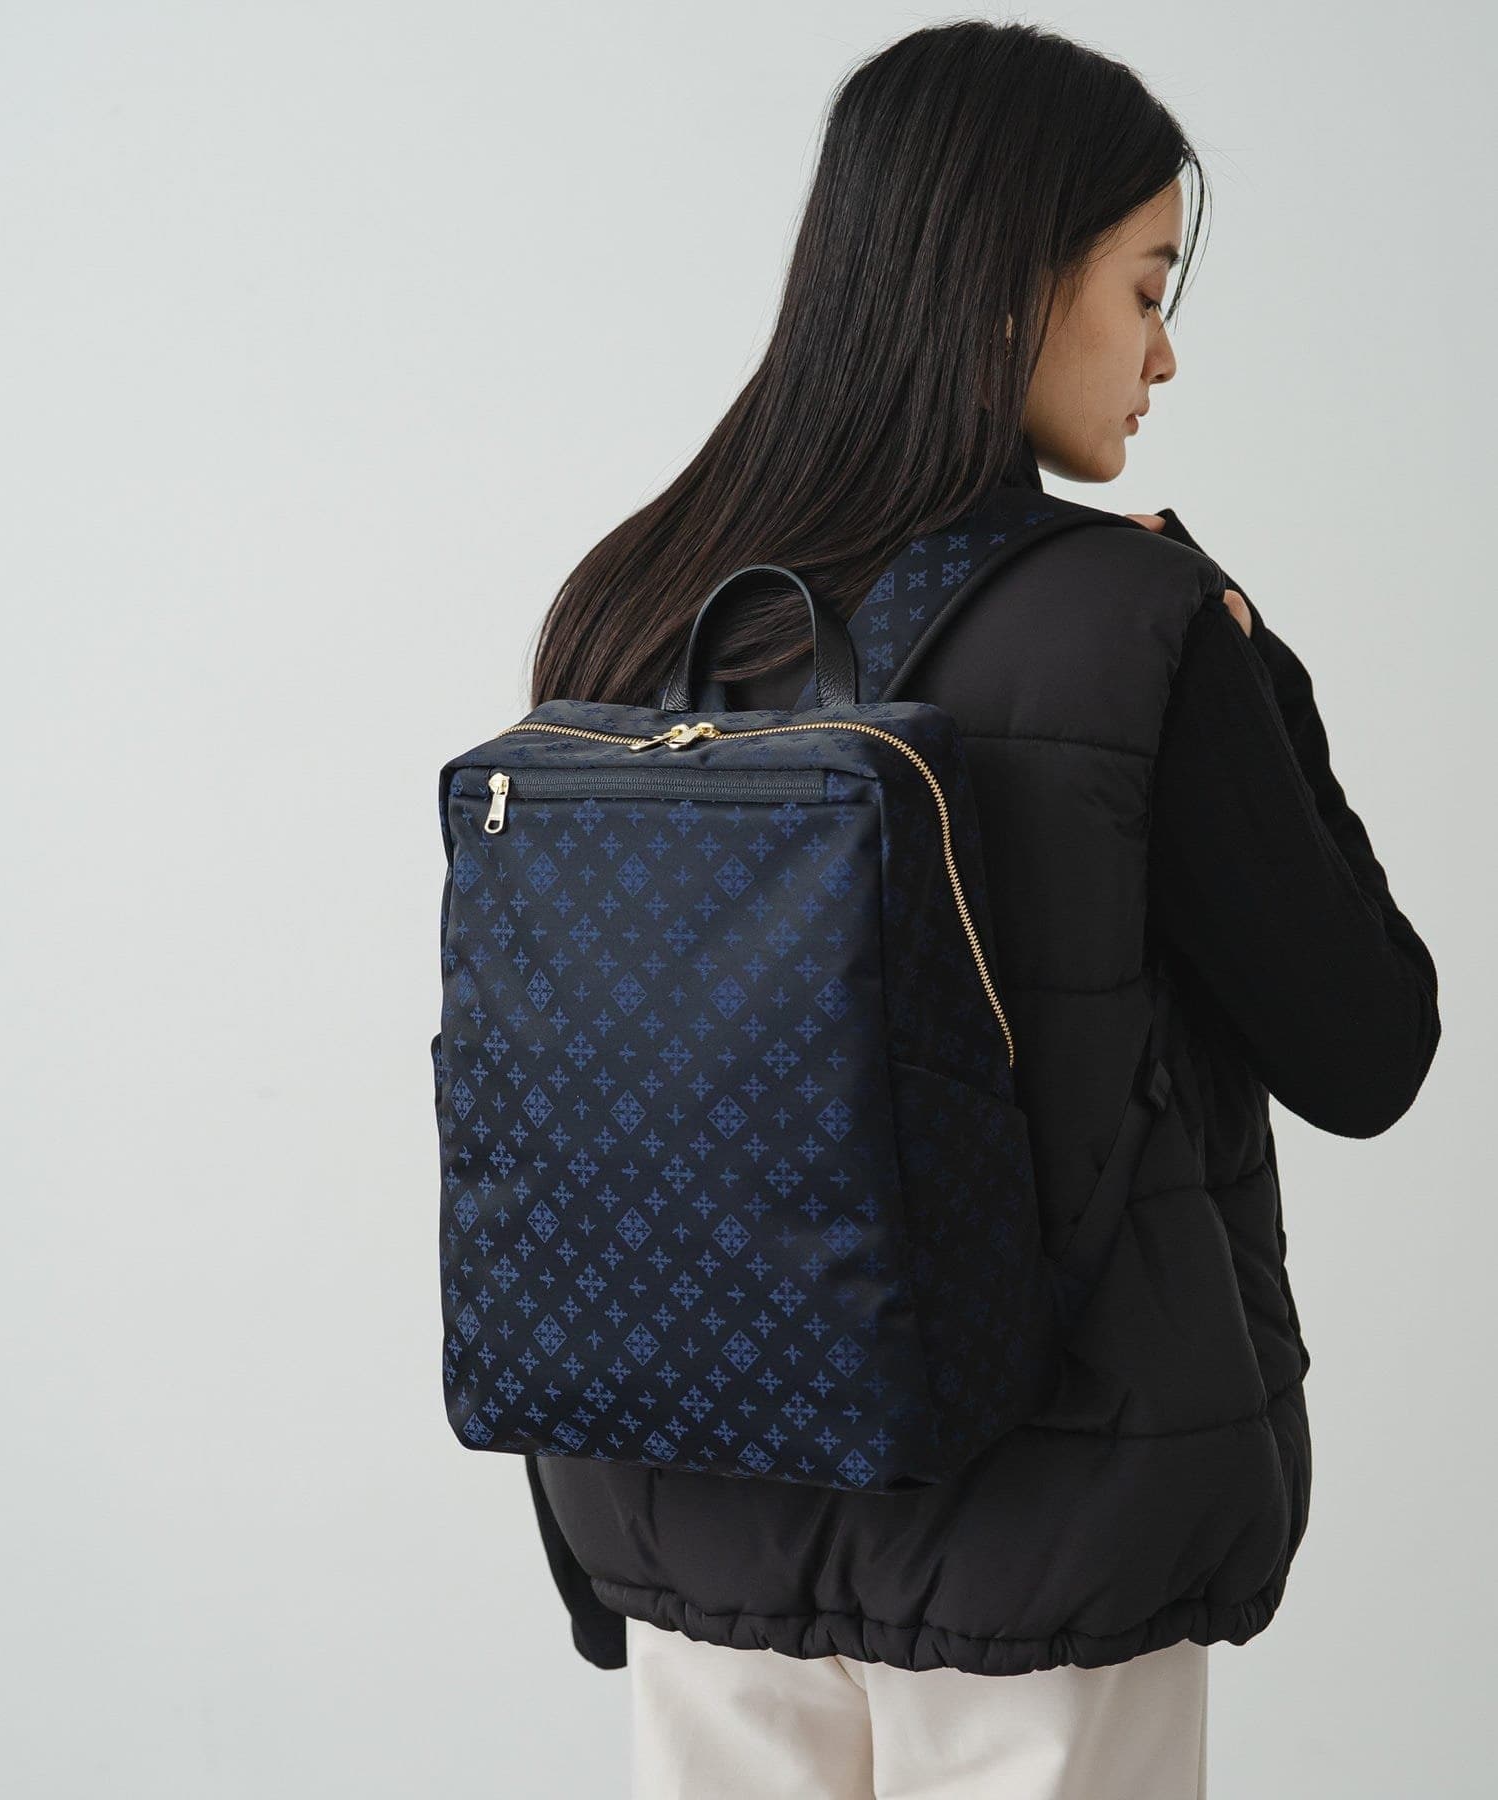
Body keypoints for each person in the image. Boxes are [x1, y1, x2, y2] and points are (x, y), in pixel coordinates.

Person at [516, 20, 1442, 1799]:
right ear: (1019, 279)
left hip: (686, 1501)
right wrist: (1252, 655)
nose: (1166, 351)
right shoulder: (1135, 621)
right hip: (1055, 1548)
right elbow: (1367, 1048)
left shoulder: (629, 609)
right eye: (1146, 286)